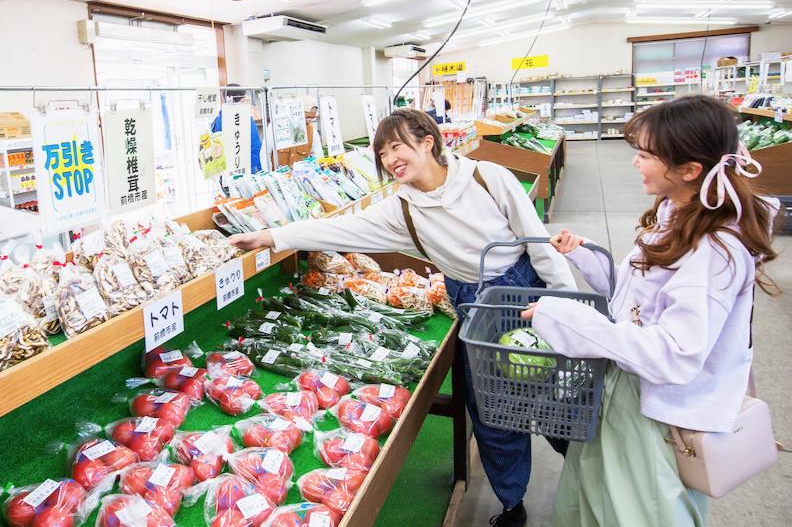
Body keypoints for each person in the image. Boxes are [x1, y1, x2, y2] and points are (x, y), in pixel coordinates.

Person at [230, 107, 576, 526]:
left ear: (427, 141)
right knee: (492, 410)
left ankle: (588, 470)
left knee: (550, 391)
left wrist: (565, 303)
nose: (390, 158)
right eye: (382, 152)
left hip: (521, 290)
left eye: (397, 146)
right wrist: (271, 236)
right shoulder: (403, 209)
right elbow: (341, 230)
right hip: (471, 301)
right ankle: (511, 503)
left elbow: (538, 243)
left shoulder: (487, 178)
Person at [523, 96, 779, 526]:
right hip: (628, 390)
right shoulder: (675, 213)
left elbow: (674, 355)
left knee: (635, 510)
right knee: (595, 498)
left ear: (689, 170)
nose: (635, 163)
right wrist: (586, 257)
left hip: (657, 411)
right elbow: (637, 299)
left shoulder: (715, 250)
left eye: (645, 155)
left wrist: (568, 320)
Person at [211, 84, 262, 173]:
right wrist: (259, 168)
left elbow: (215, 147)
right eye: (244, 98)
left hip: (228, 170)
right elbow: (256, 146)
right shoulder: (247, 118)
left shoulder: (219, 119)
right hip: (248, 167)